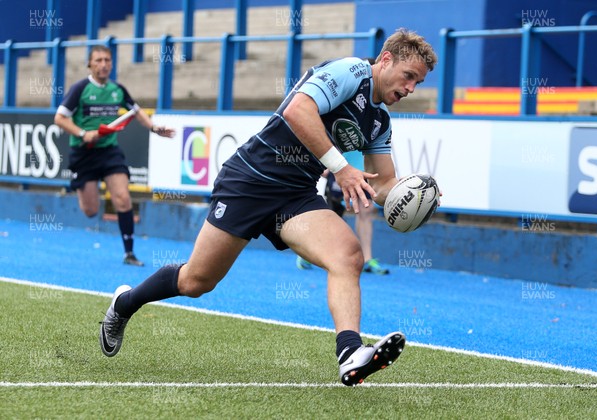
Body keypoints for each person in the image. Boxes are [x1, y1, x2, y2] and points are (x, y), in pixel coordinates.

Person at [100, 29, 437, 386]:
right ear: (385, 61)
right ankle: (125, 304)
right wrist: (342, 167)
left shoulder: (380, 121)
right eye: (409, 76)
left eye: (418, 82)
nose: (411, 88)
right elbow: (298, 110)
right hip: (250, 179)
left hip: (296, 194)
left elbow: (384, 183)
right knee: (197, 281)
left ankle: (350, 353)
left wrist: (417, 195)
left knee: (349, 255)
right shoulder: (351, 71)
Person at [54, 45, 175, 266]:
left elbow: (136, 111)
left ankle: (129, 253)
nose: (104, 64)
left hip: (110, 152)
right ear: (89, 64)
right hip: (84, 154)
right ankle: (80, 184)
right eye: (99, 60)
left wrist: (155, 128)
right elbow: (60, 118)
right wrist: (83, 133)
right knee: (91, 211)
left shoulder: (117, 89)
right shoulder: (80, 88)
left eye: (107, 60)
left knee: (122, 197)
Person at [296, 167, 390, 275]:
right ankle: (309, 252)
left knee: (366, 208)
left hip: (363, 168)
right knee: (333, 213)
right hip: (341, 167)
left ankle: (366, 260)